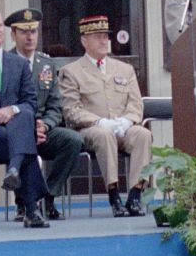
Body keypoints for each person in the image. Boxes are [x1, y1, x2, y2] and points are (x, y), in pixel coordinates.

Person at [60, 14, 153, 217]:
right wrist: (100, 121)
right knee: (104, 135)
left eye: (105, 36)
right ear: (84, 41)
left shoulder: (125, 69)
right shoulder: (72, 71)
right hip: (91, 130)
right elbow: (71, 110)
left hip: (123, 127)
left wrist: (127, 120)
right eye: (97, 36)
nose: (104, 41)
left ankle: (135, 195)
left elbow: (136, 103)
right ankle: (113, 195)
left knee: (143, 135)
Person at [4, 8, 84, 222]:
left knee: (73, 140)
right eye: (24, 32)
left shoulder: (47, 64)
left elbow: (56, 105)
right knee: (20, 142)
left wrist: (45, 126)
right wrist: (29, 129)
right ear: (13, 34)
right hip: (17, 129)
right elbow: (5, 104)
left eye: (34, 31)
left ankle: (49, 196)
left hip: (43, 129)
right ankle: (24, 203)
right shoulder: (5, 63)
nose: (30, 37)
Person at [0, 9, 50, 228]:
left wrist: (12, 111)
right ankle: (32, 209)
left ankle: (15, 171)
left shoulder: (17, 64)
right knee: (24, 139)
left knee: (22, 118)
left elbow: (31, 102)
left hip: (12, 134)